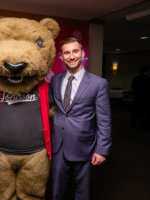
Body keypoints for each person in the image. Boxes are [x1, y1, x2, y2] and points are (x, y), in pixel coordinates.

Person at [50, 37, 112, 200]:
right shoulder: (55, 80)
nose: (71, 56)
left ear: (82, 53)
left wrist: (102, 149)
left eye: (75, 51)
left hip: (85, 147)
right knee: (56, 191)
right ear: (61, 57)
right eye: (67, 53)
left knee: (83, 192)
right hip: (59, 147)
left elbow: (104, 119)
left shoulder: (98, 84)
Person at [131, 65, 150, 130]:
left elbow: (132, 87)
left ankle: (133, 124)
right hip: (145, 98)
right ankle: (144, 125)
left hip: (136, 97)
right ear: (147, 71)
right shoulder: (148, 79)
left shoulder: (135, 78)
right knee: (144, 112)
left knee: (135, 111)